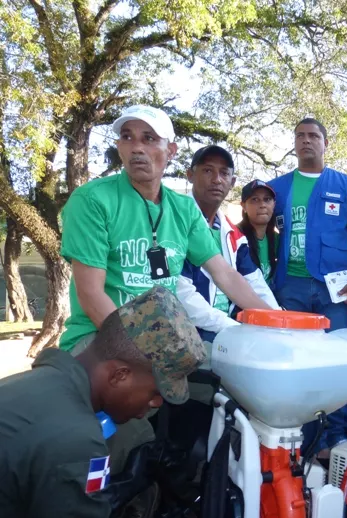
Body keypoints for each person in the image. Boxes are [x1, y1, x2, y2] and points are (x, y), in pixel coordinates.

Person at [59, 105, 272, 473]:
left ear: (170, 151)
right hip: (99, 339)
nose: (136, 148)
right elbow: (92, 295)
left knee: (236, 383)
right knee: (130, 427)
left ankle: (202, 485)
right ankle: (118, 492)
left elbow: (226, 275)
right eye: (127, 138)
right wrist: (153, 359)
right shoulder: (93, 200)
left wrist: (278, 325)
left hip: (167, 341)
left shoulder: (183, 210)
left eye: (149, 139)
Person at [0, 286, 206, 518]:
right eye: (154, 393)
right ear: (119, 375)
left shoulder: (27, 384)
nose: (156, 403)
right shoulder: (80, 440)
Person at [268, 117, 347, 453]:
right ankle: (302, 440)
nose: (306, 141)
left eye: (313, 136)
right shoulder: (275, 188)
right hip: (290, 287)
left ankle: (338, 437)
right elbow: (260, 232)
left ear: (326, 143)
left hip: (336, 289)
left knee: (337, 362)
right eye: (299, 136)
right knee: (297, 363)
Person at [178, 146, 279, 344]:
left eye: (224, 173)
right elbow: (181, 294)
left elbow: (255, 283)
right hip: (188, 332)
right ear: (190, 175)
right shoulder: (174, 220)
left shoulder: (233, 233)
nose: (217, 179)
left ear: (232, 182)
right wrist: (232, 329)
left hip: (225, 330)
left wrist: (279, 321)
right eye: (207, 170)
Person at [237, 179, 279, 283]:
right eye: (255, 199)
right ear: (243, 206)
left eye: (267, 199)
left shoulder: (276, 239)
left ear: (274, 204)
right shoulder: (235, 237)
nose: (262, 205)